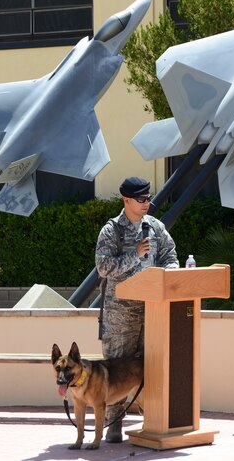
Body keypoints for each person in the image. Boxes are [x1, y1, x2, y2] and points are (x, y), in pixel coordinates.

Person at [95, 176, 179, 442]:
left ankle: (153, 417)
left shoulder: (155, 227)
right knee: (118, 368)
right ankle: (114, 423)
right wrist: (135, 255)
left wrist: (169, 275)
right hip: (120, 315)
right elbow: (104, 268)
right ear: (126, 200)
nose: (147, 203)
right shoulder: (112, 231)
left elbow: (171, 256)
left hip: (152, 310)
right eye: (141, 199)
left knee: (151, 365)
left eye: (148, 198)